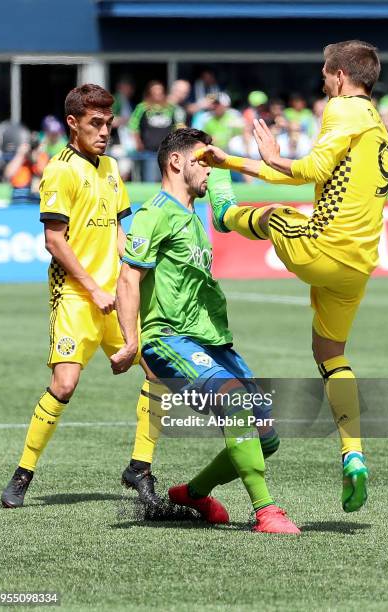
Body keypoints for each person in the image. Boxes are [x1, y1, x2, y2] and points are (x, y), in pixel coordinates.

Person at [195, 40, 388, 513]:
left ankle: (224, 216)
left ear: (341, 76)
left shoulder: (343, 109)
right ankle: (354, 454)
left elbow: (309, 168)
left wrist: (271, 153)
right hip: (359, 265)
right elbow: (314, 175)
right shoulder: (376, 127)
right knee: (330, 354)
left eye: (326, 73)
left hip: (325, 246)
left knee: (277, 215)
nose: (323, 82)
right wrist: (236, 163)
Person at [110, 128, 300, 534]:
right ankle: (266, 511)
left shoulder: (195, 218)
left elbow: (226, 210)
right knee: (234, 402)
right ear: (176, 162)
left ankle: (194, 493)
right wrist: (131, 342)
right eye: (203, 159)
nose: (210, 166)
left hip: (212, 341)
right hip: (170, 339)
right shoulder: (154, 213)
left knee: (267, 436)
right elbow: (128, 278)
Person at [0, 84, 159, 508]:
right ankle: (23, 471)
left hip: (115, 299)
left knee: (157, 372)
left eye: (108, 123)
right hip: (75, 297)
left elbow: (121, 233)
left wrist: (139, 272)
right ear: (73, 123)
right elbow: (54, 240)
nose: (105, 131)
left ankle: (140, 468)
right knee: (65, 384)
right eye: (95, 123)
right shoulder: (60, 169)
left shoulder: (110, 168)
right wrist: (93, 287)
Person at [129, 81, 180, 182]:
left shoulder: (170, 108)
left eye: (160, 93)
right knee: (150, 181)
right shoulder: (142, 107)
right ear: (149, 94)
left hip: (167, 152)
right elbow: (133, 125)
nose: (158, 95)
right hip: (149, 151)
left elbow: (177, 126)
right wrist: (138, 142)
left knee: (167, 181)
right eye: (154, 93)